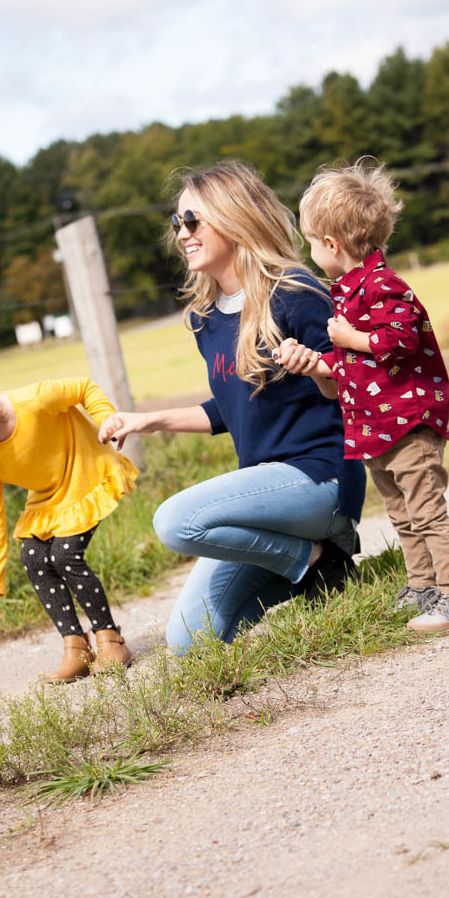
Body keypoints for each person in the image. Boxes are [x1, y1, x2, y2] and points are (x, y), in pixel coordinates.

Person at [98, 160, 366, 651]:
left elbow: (351, 380)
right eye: (178, 222)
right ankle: (318, 570)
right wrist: (148, 421)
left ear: (234, 216)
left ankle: (311, 560)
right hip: (267, 497)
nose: (183, 234)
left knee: (176, 521)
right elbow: (232, 407)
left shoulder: (296, 293)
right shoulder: (205, 319)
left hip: (321, 479)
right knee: (188, 642)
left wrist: (321, 368)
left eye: (193, 220)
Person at [274, 159, 449, 633]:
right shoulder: (348, 291)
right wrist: (313, 360)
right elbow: (354, 366)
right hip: (375, 425)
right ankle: (423, 585)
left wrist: (349, 340)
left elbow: (400, 341)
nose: (310, 253)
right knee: (401, 512)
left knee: (426, 511)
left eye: (310, 243)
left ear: (332, 244)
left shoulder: (384, 286)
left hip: (408, 422)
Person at [0, 349, 138, 681]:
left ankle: (110, 640)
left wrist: (107, 417)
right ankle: (77, 647)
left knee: (65, 555)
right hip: (49, 499)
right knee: (33, 558)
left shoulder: (34, 400)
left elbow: (84, 387)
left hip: (86, 476)